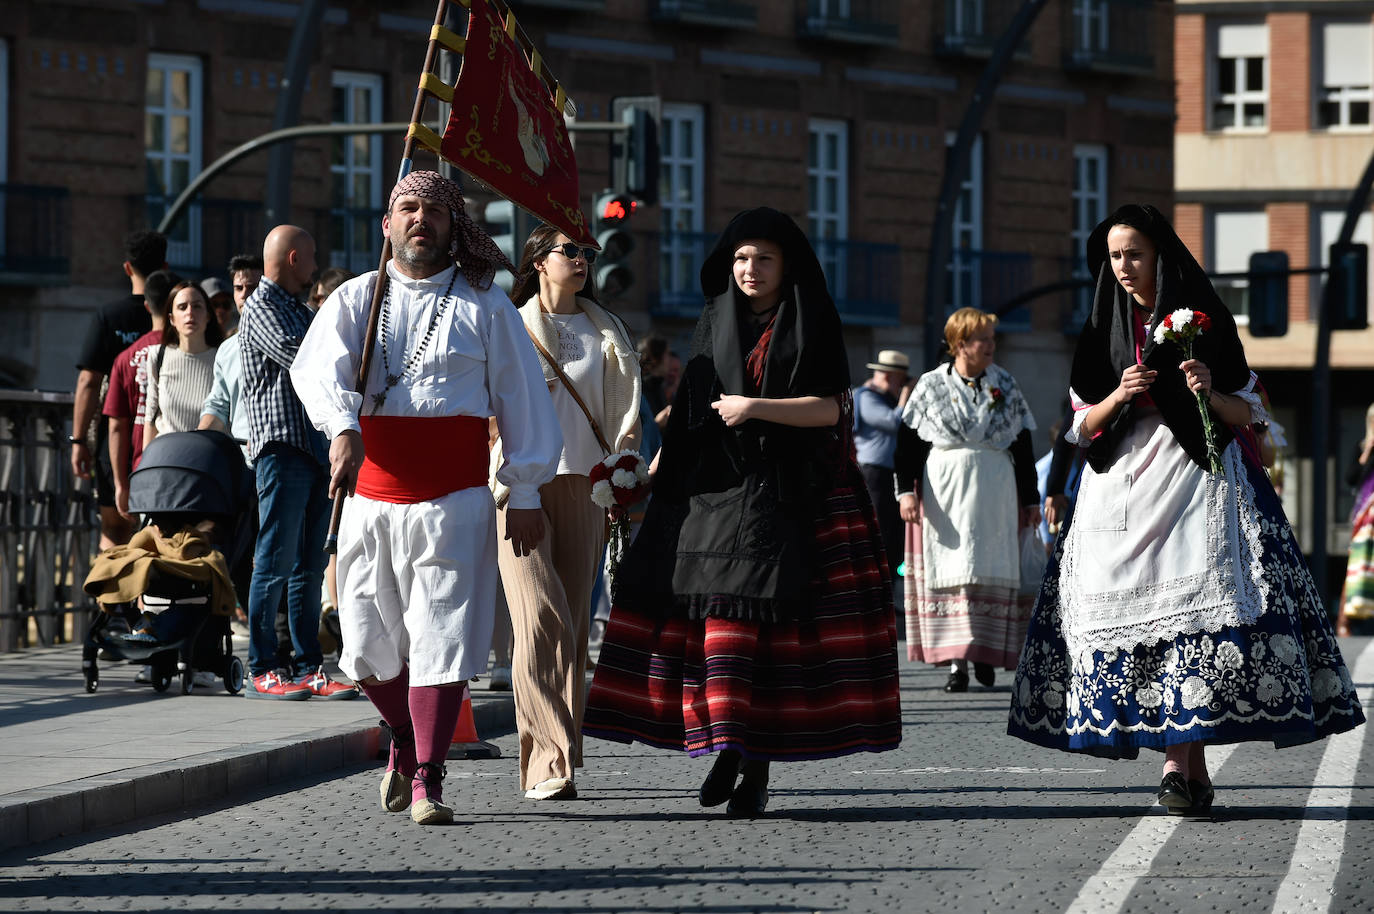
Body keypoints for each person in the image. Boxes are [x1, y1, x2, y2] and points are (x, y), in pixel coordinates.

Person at [1007, 203, 1364, 816]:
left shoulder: (1208, 320)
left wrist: (1208, 388)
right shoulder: (1099, 331)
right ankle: (1187, 771)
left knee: (1198, 625)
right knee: (1124, 619)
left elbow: (1249, 411)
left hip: (1196, 478)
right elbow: (1079, 427)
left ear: (1160, 256)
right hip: (1119, 489)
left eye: (1134, 254)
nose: (1123, 266)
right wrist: (1120, 393)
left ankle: (1180, 766)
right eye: (1115, 256)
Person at [583, 207, 901, 818]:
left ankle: (754, 767)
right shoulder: (712, 319)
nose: (749, 270)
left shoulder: (813, 317)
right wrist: (644, 479)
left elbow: (832, 411)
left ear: (788, 267)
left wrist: (756, 408)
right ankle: (729, 745)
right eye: (739, 259)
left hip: (797, 493)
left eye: (762, 259)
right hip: (715, 493)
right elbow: (690, 415)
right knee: (720, 633)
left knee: (775, 641)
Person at [290, 171, 561, 826]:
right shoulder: (356, 299)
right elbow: (315, 372)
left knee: (440, 638)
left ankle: (429, 780)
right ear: (387, 225)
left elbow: (523, 398)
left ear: (453, 226)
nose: (420, 220)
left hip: (454, 502)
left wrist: (523, 488)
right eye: (407, 209)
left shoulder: (485, 304)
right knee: (362, 645)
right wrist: (344, 428)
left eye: (434, 212)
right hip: (371, 501)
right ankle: (406, 739)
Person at [492, 224, 641, 802]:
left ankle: (562, 745)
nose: (581, 260)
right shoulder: (509, 325)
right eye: (569, 251)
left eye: (587, 252)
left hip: (586, 485)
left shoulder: (608, 330)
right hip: (517, 488)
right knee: (539, 616)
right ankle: (546, 760)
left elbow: (623, 409)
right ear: (537, 261)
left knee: (574, 624)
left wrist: (624, 466)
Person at [239, 225, 356, 702]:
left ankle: (308, 665)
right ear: (291, 259)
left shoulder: (296, 308)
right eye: (309, 259)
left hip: (310, 449)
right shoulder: (262, 308)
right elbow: (303, 357)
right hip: (282, 450)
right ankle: (262, 665)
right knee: (273, 562)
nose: (314, 267)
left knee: (308, 565)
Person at [895, 308, 1040, 692]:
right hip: (945, 488)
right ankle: (957, 663)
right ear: (960, 344)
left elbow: (1023, 444)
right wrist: (906, 491)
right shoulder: (929, 385)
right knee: (952, 569)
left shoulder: (1004, 384)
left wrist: (1031, 500)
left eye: (993, 339)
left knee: (990, 565)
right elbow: (907, 443)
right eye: (983, 340)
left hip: (995, 487)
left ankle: (986, 652)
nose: (991, 346)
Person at [72, 230, 167, 550]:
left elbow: (88, 382)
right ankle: (145, 599)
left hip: (115, 441)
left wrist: (79, 439)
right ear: (165, 266)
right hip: (163, 439)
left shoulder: (109, 316)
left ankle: (112, 600)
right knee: (158, 532)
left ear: (128, 268)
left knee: (113, 527)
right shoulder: (177, 316)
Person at [105, 268, 180, 521]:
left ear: (147, 306)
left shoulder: (126, 358)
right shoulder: (191, 354)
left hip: (142, 468)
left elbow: (117, 426)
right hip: (187, 467)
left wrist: (120, 483)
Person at [853, 349, 913, 591]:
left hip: (891, 475)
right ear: (890, 376)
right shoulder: (867, 396)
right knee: (877, 532)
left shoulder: (886, 397)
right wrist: (906, 396)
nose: (902, 386)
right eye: (902, 380)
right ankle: (872, 590)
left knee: (893, 534)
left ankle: (887, 590)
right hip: (874, 474)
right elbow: (893, 423)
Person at [143, 282, 223, 451]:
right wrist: (145, 466)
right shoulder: (158, 355)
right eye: (182, 307)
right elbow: (150, 416)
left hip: (209, 462)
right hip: (166, 461)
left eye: (197, 306)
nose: (190, 313)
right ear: (171, 319)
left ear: (208, 315)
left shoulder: (223, 359)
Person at [1339, 403, 1374, 637]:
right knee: (1358, 563)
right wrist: (1367, 451)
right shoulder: (1362, 447)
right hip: (1366, 516)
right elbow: (1351, 478)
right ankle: (1344, 620)